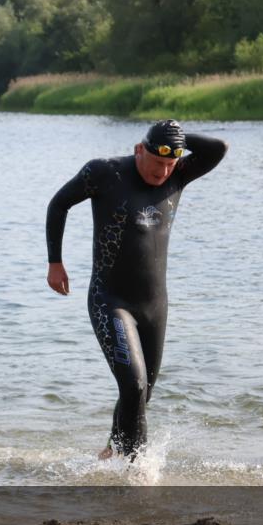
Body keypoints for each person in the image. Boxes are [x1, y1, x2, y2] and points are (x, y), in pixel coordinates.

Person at [45, 120, 227, 460]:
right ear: (138, 150)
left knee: (142, 394)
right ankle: (137, 471)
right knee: (132, 385)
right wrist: (55, 262)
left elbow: (218, 149)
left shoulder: (178, 175)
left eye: (169, 163)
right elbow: (58, 204)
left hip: (154, 305)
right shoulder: (105, 172)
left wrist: (173, 137)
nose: (162, 172)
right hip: (110, 300)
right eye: (156, 162)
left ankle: (111, 453)